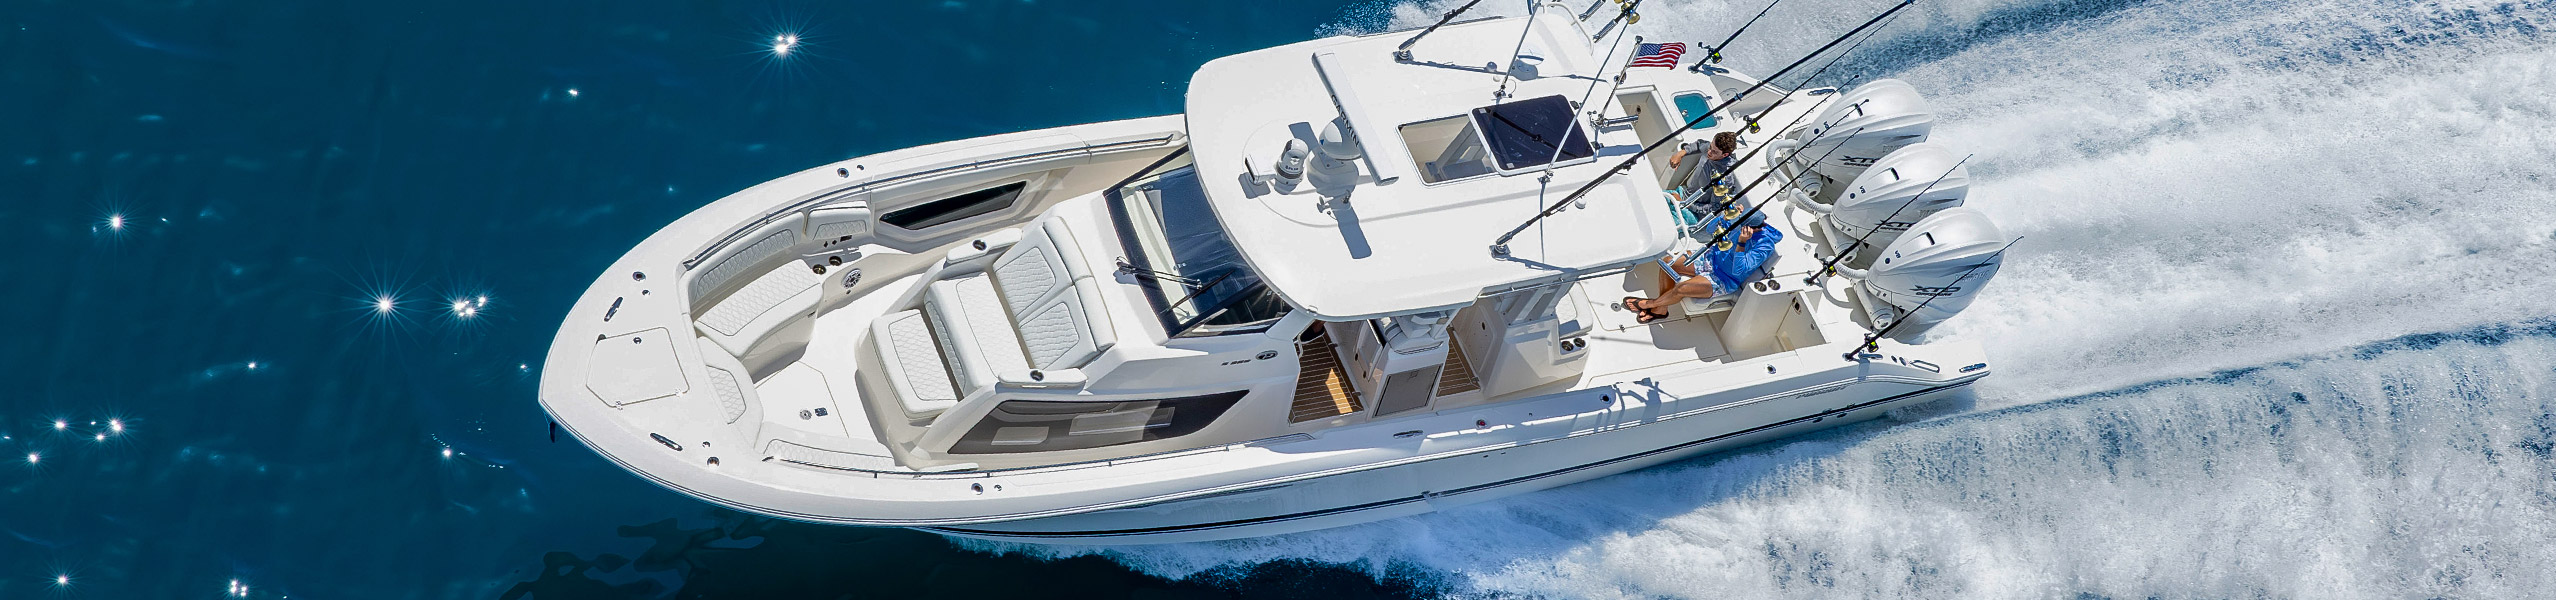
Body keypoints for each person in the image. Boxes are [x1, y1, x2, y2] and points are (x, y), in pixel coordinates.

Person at [1624, 208, 1783, 323]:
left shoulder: (1765, 245)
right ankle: (1661, 309)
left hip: (1724, 278)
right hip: (1710, 258)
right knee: (1667, 262)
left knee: (1681, 289)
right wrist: (1726, 215)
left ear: (1752, 229)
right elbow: (1709, 229)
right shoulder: (1739, 219)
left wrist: (1741, 243)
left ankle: (1652, 304)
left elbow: (1739, 269)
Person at [1669, 131, 1741, 211]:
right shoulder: (1710, 149)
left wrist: (1685, 204)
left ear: (1725, 155)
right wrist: (1680, 154)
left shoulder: (1725, 178)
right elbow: (1699, 144)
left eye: (1714, 152)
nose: (1709, 152)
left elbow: (1714, 208)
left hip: (1694, 211)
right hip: (1683, 195)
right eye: (1710, 147)